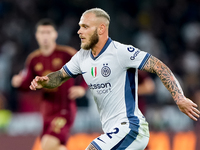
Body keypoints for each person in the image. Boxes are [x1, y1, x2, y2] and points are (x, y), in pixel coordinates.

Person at [29, 8, 200, 150]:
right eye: (80, 27)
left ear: (101, 29)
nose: (79, 31)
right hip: (112, 130)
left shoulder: (120, 52)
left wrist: (179, 97)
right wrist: (45, 80)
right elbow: (59, 76)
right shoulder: (82, 57)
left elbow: (159, 66)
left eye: (85, 27)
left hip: (131, 128)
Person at [12, 18, 87, 150]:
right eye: (42, 32)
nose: (45, 36)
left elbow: (87, 69)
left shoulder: (66, 54)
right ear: (36, 35)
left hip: (65, 108)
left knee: (47, 145)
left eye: (48, 32)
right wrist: (19, 83)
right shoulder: (33, 59)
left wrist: (82, 88)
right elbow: (28, 85)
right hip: (46, 111)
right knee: (55, 147)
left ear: (55, 34)